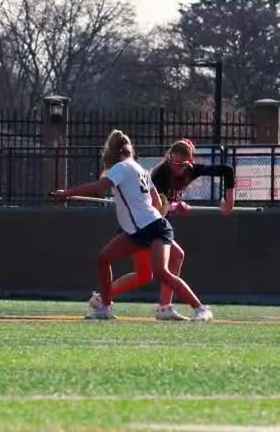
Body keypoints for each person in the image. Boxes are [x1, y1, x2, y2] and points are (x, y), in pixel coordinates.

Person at [53, 129, 212, 323]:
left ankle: (201, 309)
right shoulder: (139, 169)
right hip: (140, 230)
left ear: (114, 152)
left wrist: (67, 193)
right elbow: (156, 202)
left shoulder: (120, 167)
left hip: (153, 228)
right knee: (104, 258)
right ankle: (104, 308)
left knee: (160, 272)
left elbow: (98, 187)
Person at [105, 139, 238, 313]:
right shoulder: (160, 174)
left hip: (154, 226)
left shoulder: (192, 170)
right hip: (142, 225)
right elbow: (154, 206)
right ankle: (162, 306)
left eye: (181, 164)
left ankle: (107, 299)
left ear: (190, 162)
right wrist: (175, 206)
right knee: (165, 263)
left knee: (147, 273)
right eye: (172, 161)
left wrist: (229, 200)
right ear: (169, 157)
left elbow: (227, 170)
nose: (175, 167)